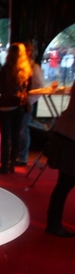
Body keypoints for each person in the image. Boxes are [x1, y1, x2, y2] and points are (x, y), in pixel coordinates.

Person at [0, 43, 32, 174]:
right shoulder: (26, 70)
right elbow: (28, 88)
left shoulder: (5, 69)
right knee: (15, 136)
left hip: (6, 105)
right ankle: (12, 164)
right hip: (20, 105)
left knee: (5, 137)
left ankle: (4, 165)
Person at [45, 82, 75, 237]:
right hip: (70, 138)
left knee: (64, 184)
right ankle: (53, 224)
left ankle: (53, 223)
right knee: (64, 184)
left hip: (65, 133)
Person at [16, 42, 44, 166]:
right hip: (15, 102)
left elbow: (39, 87)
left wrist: (28, 100)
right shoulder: (16, 66)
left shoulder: (33, 67)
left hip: (24, 102)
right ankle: (16, 155)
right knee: (17, 130)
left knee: (22, 130)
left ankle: (22, 157)